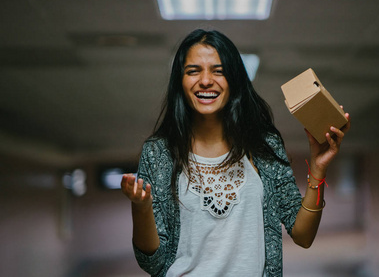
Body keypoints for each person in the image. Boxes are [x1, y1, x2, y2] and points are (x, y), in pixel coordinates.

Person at [121, 29, 351, 277]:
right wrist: (141, 207)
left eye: (218, 71)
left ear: (234, 79)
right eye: (193, 71)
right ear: (180, 81)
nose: (206, 80)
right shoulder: (159, 153)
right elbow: (152, 263)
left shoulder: (263, 146)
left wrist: (318, 170)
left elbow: (303, 236)